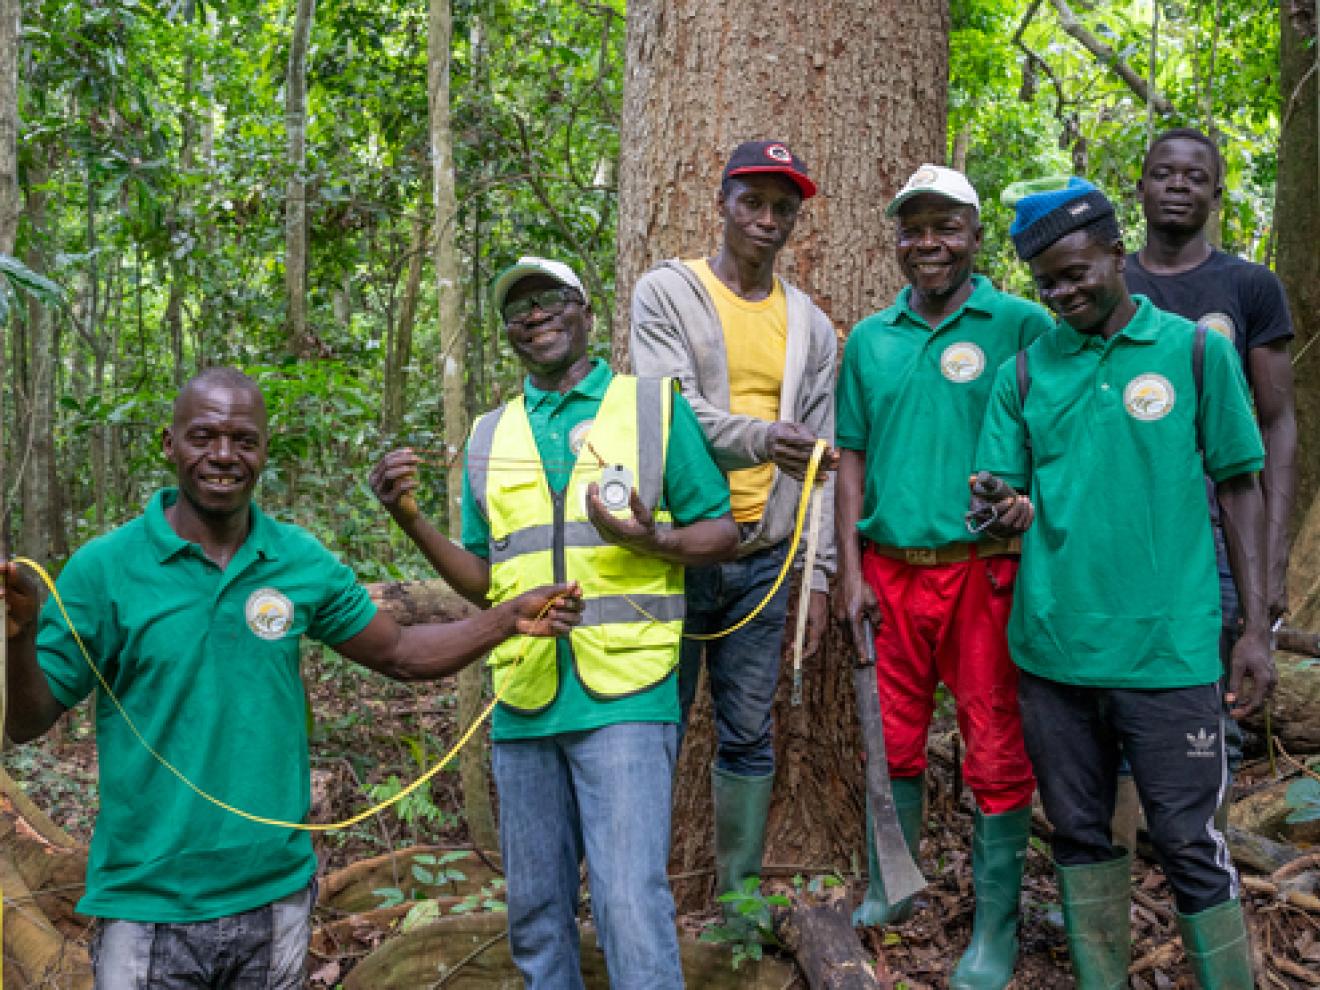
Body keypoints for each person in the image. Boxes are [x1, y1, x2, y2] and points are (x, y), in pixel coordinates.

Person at [0, 367, 581, 990]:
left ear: (264, 451)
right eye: (204, 437)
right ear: (170, 445)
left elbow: (402, 652)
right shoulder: (104, 569)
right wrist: (23, 634)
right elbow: (28, 722)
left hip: (273, 895)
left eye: (243, 440)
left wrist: (505, 620)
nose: (223, 455)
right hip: (145, 904)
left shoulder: (298, 560)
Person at [370, 256, 738, 990]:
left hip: (628, 691)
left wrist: (651, 539)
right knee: (537, 909)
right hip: (525, 698)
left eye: (550, 300)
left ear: (584, 310)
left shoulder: (651, 407)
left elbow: (720, 532)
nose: (534, 316)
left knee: (629, 901)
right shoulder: (488, 433)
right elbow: (485, 576)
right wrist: (409, 519)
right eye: (518, 309)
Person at [975, 177, 1272, 988]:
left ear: (1116, 253)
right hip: (1055, 652)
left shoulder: (1197, 352)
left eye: (1077, 272)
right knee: (1078, 833)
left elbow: (1241, 483)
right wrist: (1001, 508)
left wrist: (1253, 627)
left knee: (1188, 843)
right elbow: (1008, 495)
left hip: (1169, 652)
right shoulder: (1027, 374)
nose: (1065, 292)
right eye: (1048, 284)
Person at [834, 164, 1050, 988]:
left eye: (946, 226)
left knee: (996, 745)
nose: (928, 242)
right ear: (896, 239)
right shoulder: (870, 338)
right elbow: (850, 453)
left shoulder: (1022, 323)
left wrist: (1028, 506)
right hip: (890, 571)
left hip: (983, 573)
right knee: (891, 743)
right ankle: (894, 883)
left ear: (975, 234)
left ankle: (994, 932)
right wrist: (849, 570)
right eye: (912, 228)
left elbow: (1053, 431)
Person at [629, 140, 837, 910]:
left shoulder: (813, 325)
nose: (767, 219)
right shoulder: (667, 292)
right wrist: (759, 439)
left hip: (765, 560)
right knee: (654, 733)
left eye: (783, 208)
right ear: (721, 203)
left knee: (748, 736)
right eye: (752, 201)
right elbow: (666, 405)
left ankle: (739, 909)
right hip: (675, 552)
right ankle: (636, 900)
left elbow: (818, 463)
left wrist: (816, 579)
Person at [1122, 127, 1296, 831]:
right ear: (1140, 186)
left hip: (1222, 514)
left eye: (1196, 177)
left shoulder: (1248, 285)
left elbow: (1277, 422)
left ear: (1217, 192)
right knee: (1124, 682)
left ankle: (1203, 854)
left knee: (1216, 687)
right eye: (1163, 172)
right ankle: (1129, 854)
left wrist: (1272, 559)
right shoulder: (1109, 281)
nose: (1178, 185)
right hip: (1128, 516)